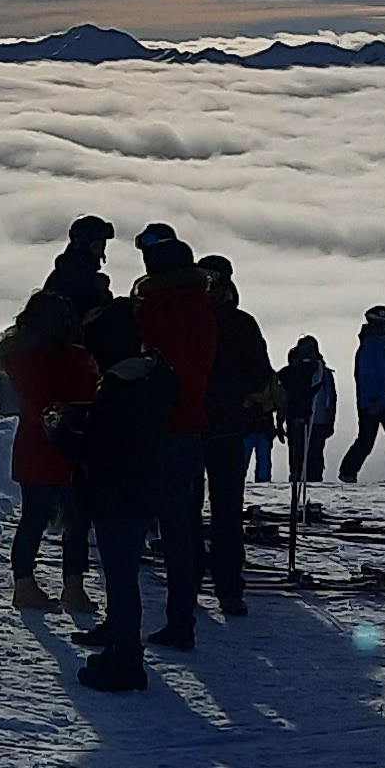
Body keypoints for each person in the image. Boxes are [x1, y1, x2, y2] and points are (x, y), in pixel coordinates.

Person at [50, 329, 175, 690]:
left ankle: (126, 660)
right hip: (142, 490)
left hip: (114, 495)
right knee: (124, 575)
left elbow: (95, 445)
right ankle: (123, 647)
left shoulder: (117, 389)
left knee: (120, 579)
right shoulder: (154, 377)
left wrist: (58, 431)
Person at [127, 231, 220, 649]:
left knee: (130, 523)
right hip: (193, 423)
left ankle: (123, 622)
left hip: (155, 427)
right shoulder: (206, 312)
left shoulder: (150, 313)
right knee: (183, 527)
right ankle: (182, 618)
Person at [0, 293, 100, 613]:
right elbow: (84, 393)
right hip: (70, 443)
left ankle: (25, 584)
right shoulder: (72, 358)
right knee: (76, 521)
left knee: (34, 518)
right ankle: (73, 587)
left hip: (34, 445)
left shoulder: (19, 358)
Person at [197, 255, 274, 618]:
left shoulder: (187, 320)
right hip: (226, 427)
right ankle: (228, 588)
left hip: (190, 427)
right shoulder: (241, 324)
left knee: (187, 508)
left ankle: (191, 581)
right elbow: (259, 376)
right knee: (226, 511)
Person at [344, 308, 385, 480]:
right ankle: (348, 471)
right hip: (373, 403)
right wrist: (372, 399)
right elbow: (365, 375)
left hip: (384, 400)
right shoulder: (370, 346)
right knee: (368, 439)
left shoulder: (381, 346)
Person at [280, 334, 338, 483]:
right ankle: (304, 482)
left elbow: (330, 398)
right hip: (303, 419)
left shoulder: (322, 374)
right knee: (303, 456)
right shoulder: (319, 373)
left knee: (309, 455)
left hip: (313, 420)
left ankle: (309, 482)